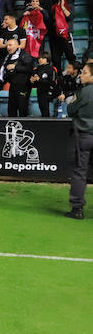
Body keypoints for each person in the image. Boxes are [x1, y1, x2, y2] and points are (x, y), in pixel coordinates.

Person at [65, 62, 93, 219]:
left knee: (80, 172)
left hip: (84, 135)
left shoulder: (83, 92)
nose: (81, 75)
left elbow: (70, 109)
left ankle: (77, 209)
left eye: (85, 73)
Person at [0, 38, 34, 117]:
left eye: (10, 45)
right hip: (13, 86)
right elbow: (3, 71)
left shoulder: (25, 55)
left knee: (22, 108)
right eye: (7, 45)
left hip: (23, 86)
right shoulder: (7, 57)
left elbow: (29, 68)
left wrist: (15, 67)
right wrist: (1, 83)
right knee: (11, 109)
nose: (8, 47)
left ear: (17, 45)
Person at [31, 52, 60, 118]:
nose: (40, 59)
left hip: (49, 91)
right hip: (40, 91)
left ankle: (48, 123)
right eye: (39, 58)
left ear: (47, 59)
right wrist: (32, 81)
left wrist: (40, 80)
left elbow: (52, 81)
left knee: (46, 109)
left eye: (43, 58)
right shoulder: (37, 69)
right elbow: (35, 83)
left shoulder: (51, 69)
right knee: (41, 108)